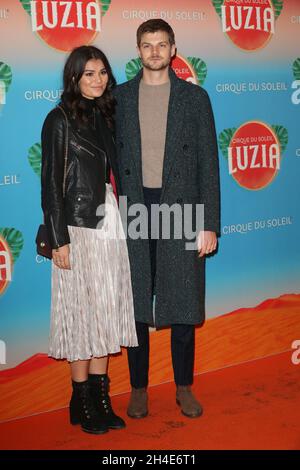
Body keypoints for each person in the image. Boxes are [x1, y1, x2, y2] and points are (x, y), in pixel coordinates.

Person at [114, 19, 220, 419]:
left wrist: (209, 222)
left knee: (182, 303)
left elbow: (210, 163)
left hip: (183, 208)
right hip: (135, 206)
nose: (154, 51)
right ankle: (138, 389)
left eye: (162, 44)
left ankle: (183, 387)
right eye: (147, 45)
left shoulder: (196, 99)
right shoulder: (120, 97)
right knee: (138, 302)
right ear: (138, 50)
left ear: (174, 49)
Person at [41, 45, 138, 435]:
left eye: (102, 73)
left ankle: (98, 398)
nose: (98, 80)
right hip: (78, 229)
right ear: (74, 78)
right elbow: (50, 184)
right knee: (82, 317)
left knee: (106, 314)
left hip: (109, 223)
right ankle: (82, 400)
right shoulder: (59, 119)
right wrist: (58, 239)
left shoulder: (104, 115)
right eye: (89, 74)